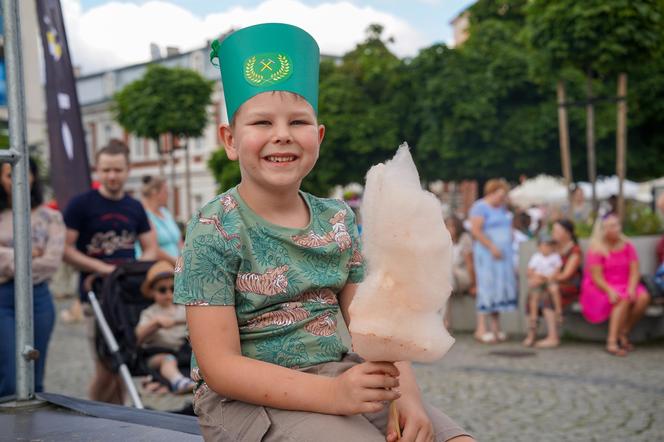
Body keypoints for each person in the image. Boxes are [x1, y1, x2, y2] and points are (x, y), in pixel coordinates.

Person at [175, 23, 473, 442]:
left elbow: (376, 324)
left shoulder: (337, 220)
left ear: (317, 137)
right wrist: (332, 394)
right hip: (244, 402)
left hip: (343, 377)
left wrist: (406, 395)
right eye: (262, 121)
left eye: (298, 121)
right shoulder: (214, 229)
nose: (282, 134)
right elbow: (220, 368)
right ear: (229, 139)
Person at [63, 139, 158, 403]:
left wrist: (131, 270)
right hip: (95, 295)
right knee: (107, 365)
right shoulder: (80, 205)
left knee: (124, 362)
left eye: (117, 170)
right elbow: (66, 249)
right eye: (106, 170)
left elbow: (150, 247)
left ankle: (121, 420)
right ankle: (93, 417)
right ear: (97, 170)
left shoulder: (134, 207)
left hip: (127, 296)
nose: (111, 176)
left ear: (128, 170)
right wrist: (103, 269)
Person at [0, 158, 65, 397]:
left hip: (38, 296)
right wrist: (28, 252)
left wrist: (5, 256)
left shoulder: (50, 217)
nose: (17, 179)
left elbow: (51, 263)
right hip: (3, 296)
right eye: (9, 174)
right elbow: (39, 259)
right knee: (7, 375)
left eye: (24, 173)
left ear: (34, 176)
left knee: (35, 377)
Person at [579, 213, 651, 356]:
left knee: (643, 298)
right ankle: (612, 341)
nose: (617, 228)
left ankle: (624, 331)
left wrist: (631, 287)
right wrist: (610, 290)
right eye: (612, 226)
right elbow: (596, 277)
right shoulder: (596, 249)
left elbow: (634, 270)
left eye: (617, 225)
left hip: (625, 282)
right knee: (622, 298)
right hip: (600, 286)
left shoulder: (627, 245)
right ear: (603, 229)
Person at [469, 179, 517, 344]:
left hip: (503, 256)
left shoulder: (503, 207)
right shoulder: (480, 207)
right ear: (491, 192)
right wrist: (492, 247)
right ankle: (481, 328)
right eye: (500, 195)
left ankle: (496, 328)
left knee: (499, 289)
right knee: (487, 287)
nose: (502, 198)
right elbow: (476, 231)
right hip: (487, 254)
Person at [135, 260, 194, 394]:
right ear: (152, 292)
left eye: (172, 289)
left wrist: (176, 321)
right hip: (157, 353)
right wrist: (154, 324)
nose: (168, 294)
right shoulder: (150, 313)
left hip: (182, 350)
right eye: (162, 290)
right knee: (167, 360)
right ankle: (178, 381)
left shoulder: (182, 309)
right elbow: (138, 337)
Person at [522, 237, 562, 347]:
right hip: (539, 282)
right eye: (545, 245)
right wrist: (536, 278)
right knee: (532, 297)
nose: (547, 248)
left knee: (551, 293)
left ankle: (559, 314)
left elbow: (557, 272)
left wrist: (547, 279)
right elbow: (529, 272)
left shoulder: (555, 257)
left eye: (549, 246)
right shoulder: (536, 258)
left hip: (550, 282)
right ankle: (532, 327)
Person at [136, 175, 182, 265]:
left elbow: (178, 240)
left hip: (177, 267)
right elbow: (152, 248)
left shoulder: (165, 212)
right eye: (165, 192)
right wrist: (177, 262)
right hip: (158, 268)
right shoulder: (144, 215)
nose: (168, 195)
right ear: (154, 192)